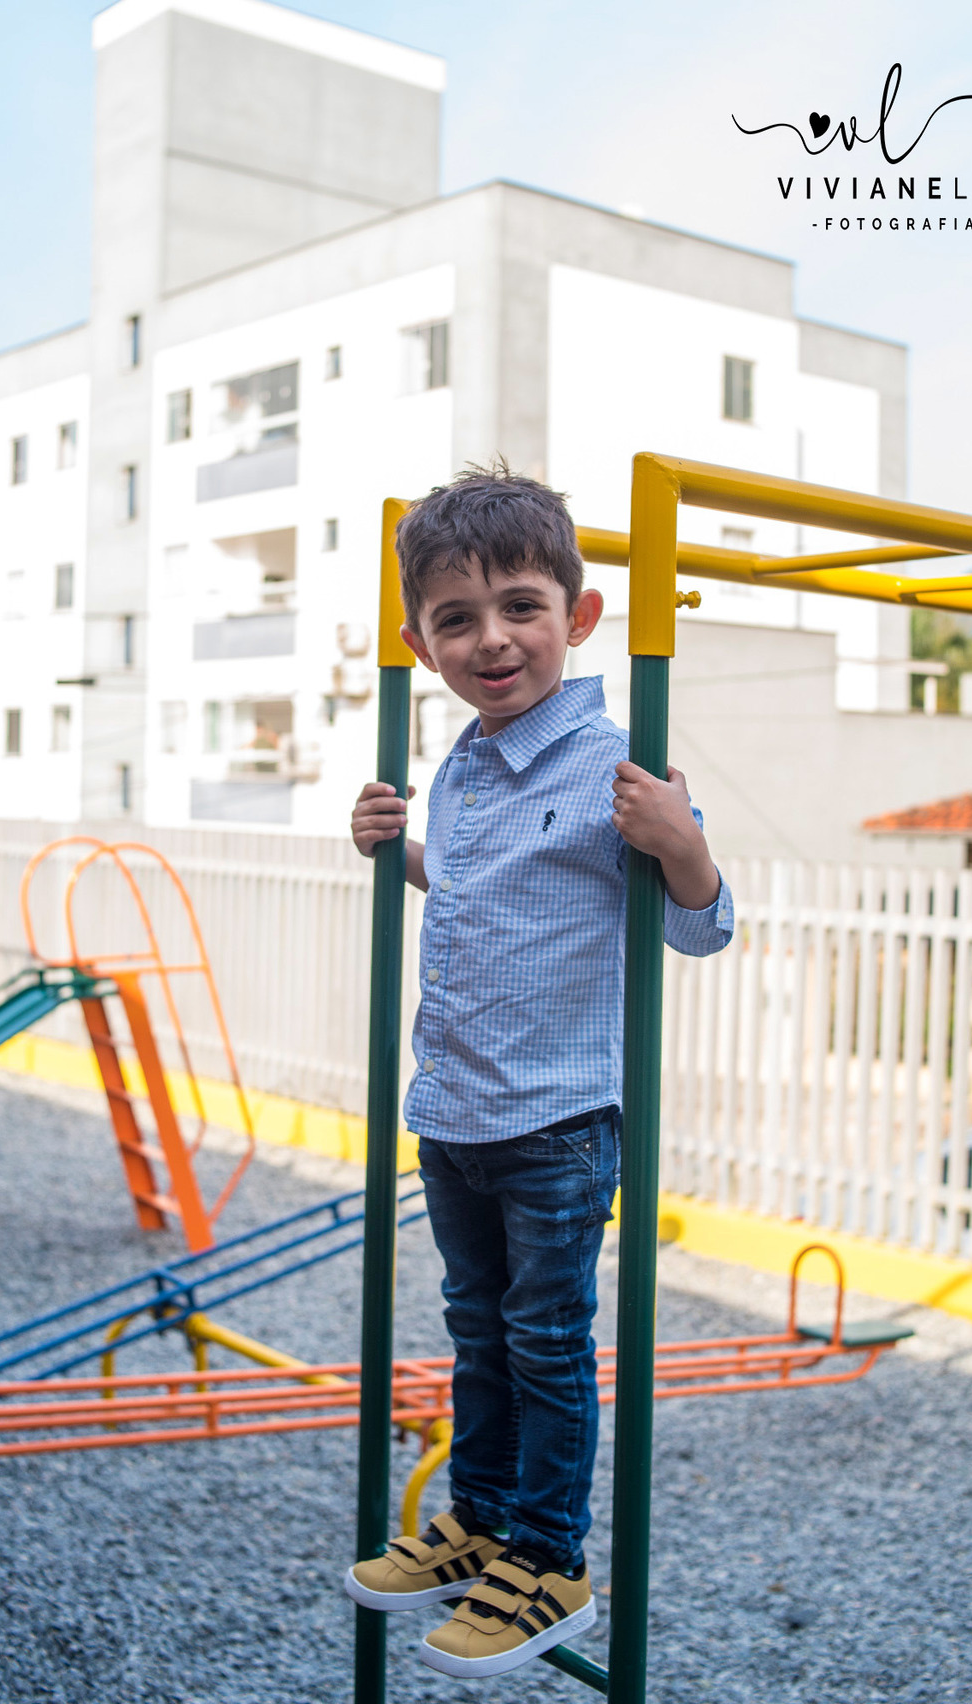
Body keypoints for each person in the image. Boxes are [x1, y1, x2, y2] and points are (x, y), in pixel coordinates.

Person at [345, 464, 733, 1680]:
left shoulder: (621, 767)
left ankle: (553, 1557)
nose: (491, 639)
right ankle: (482, 1519)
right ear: (421, 643)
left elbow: (703, 927)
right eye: (457, 621)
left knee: (546, 1340)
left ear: (578, 616)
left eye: (520, 606)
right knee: (476, 1331)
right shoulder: (459, 764)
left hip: (558, 1117)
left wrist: (685, 848)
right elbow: (479, 896)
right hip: (453, 1106)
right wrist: (400, 849)